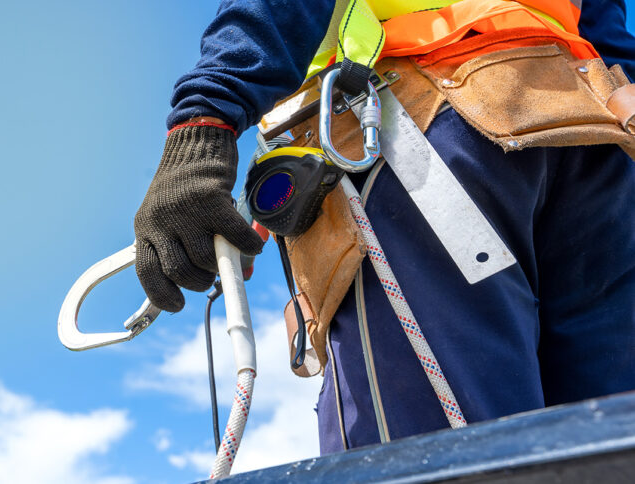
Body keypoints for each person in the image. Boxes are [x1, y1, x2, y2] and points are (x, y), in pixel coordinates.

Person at [133, 0, 635, 454]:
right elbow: (611, 40)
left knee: (436, 454)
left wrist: (203, 124)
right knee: (601, 444)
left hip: (424, 126)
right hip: (591, 141)